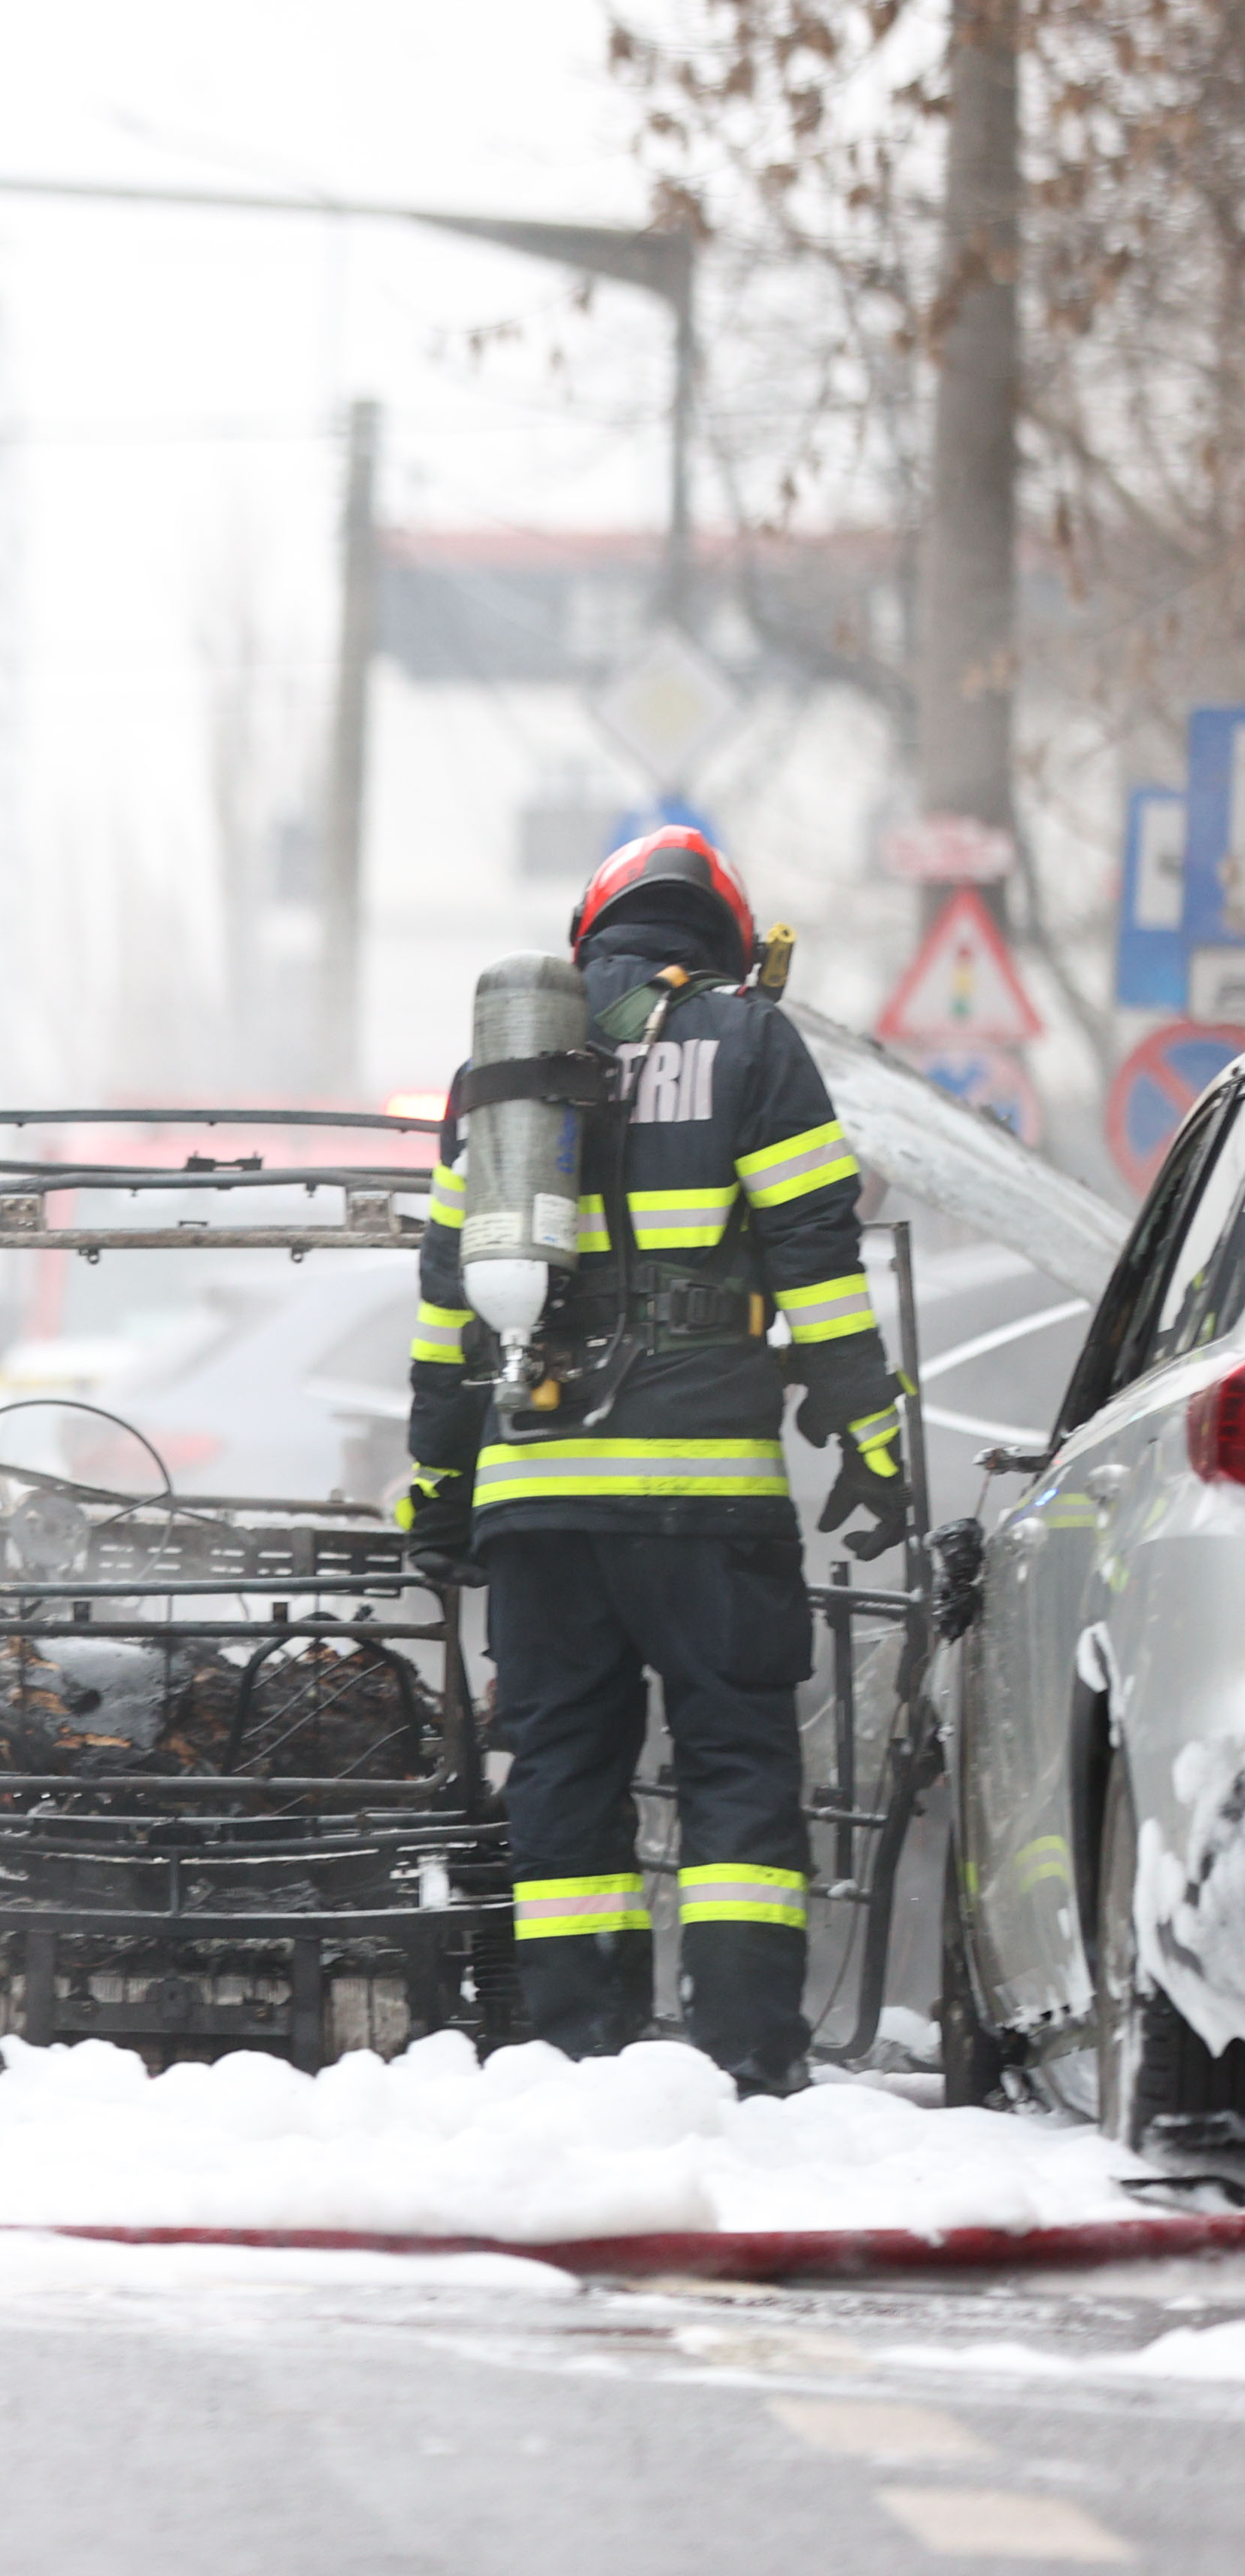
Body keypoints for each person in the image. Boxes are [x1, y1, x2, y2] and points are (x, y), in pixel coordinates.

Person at [397, 826, 907, 2096]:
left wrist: (441, 1485)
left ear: (591, 935)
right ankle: (741, 2055)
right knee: (734, 1759)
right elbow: (815, 1252)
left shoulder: (504, 1071)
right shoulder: (748, 1042)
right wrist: (871, 1431)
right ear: (724, 934)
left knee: (563, 1766)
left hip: (536, 1495)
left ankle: (578, 2049)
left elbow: (448, 1306)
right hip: (703, 1495)